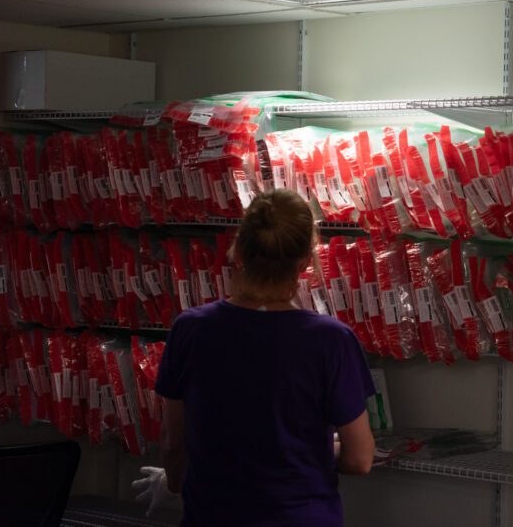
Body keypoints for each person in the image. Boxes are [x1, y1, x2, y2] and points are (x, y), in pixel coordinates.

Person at [133, 189, 376, 526]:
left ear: (239, 250)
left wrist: (173, 484)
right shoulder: (331, 340)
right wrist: (310, 450)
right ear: (307, 260)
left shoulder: (191, 330)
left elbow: (174, 441)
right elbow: (360, 459)